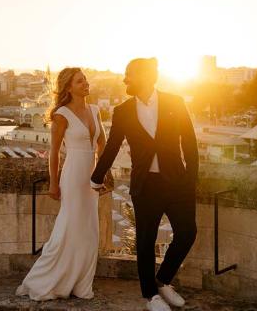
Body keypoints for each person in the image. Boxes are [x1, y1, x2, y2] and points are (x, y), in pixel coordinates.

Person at [90, 57, 199, 311]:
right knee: (146, 241)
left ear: (147, 76)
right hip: (145, 185)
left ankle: (163, 281)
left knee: (187, 233)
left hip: (177, 182)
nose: (125, 79)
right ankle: (150, 296)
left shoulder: (175, 102)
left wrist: (190, 179)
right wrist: (95, 177)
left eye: (129, 74)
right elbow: (112, 148)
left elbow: (190, 144)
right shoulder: (123, 110)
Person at [16, 67, 106, 301]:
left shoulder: (96, 110)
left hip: (92, 178)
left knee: (89, 231)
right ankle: (46, 280)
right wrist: (54, 184)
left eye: (85, 79)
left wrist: (102, 173)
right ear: (68, 87)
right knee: (69, 228)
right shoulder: (61, 114)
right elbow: (54, 153)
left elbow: (103, 145)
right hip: (74, 176)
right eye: (79, 81)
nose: (85, 83)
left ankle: (81, 284)